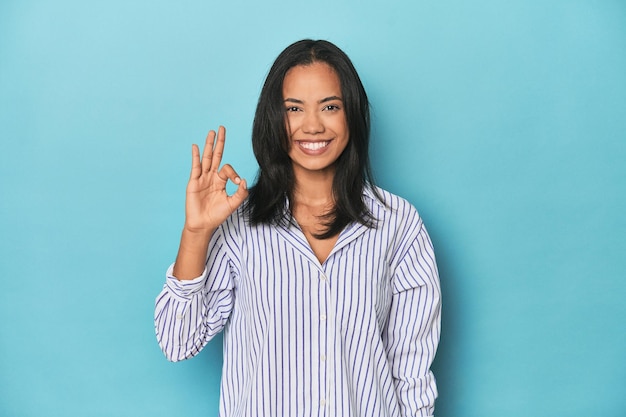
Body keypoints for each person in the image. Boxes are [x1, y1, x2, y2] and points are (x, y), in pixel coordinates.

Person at [155, 39, 441, 417]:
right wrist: (196, 232)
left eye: (330, 107)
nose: (312, 125)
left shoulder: (398, 225)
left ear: (352, 115)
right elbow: (178, 342)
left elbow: (412, 373)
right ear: (274, 118)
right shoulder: (239, 226)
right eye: (294, 108)